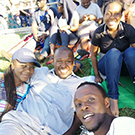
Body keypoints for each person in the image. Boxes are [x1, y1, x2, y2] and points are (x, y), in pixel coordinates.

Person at [0, 46, 84, 135]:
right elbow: (18, 73)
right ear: (52, 61)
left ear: (73, 63)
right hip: (19, 123)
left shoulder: (81, 85)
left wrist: (70, 132)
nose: (63, 65)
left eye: (68, 61)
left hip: (51, 132)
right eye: (59, 61)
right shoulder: (40, 73)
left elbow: (83, 112)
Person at [90, 1, 135, 117]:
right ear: (103, 14)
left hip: (123, 67)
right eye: (108, 13)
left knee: (130, 52)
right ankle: (113, 97)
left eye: (116, 14)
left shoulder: (128, 29)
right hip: (106, 65)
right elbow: (93, 55)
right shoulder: (98, 33)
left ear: (121, 15)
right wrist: (97, 75)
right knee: (114, 52)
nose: (112, 17)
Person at [0, 48, 40, 121]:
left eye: (32, 67)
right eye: (24, 66)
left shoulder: (28, 90)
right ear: (13, 65)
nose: (28, 70)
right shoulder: (1, 80)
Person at [47, 0, 79, 65]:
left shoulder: (74, 13)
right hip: (60, 37)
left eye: (59, 5)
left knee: (63, 30)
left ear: (64, 6)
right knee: (54, 28)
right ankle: (52, 54)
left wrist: (67, 27)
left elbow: (76, 27)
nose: (57, 7)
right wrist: (52, 17)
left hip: (71, 37)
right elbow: (54, 26)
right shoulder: (59, 15)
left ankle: (63, 53)